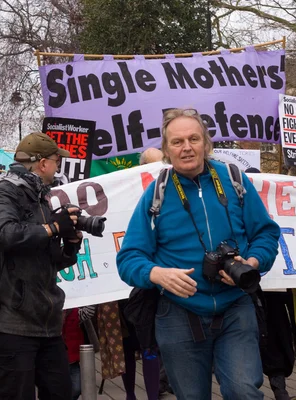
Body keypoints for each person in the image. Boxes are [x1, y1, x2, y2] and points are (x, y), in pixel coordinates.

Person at [117, 108, 281, 399]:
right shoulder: (157, 194)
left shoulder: (234, 180)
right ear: (167, 150)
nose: (187, 147)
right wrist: (156, 274)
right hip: (179, 314)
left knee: (244, 391)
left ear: (206, 143)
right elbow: (129, 258)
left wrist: (253, 262)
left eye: (193, 138)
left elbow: (266, 234)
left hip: (235, 308)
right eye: (177, 141)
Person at [0, 132, 81, 400]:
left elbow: (47, 261)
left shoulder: (39, 197)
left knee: (62, 394)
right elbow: (3, 233)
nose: (58, 168)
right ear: (44, 163)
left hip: (46, 321)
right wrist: (53, 227)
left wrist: (70, 243)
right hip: (11, 323)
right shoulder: (5, 191)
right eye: (57, 162)